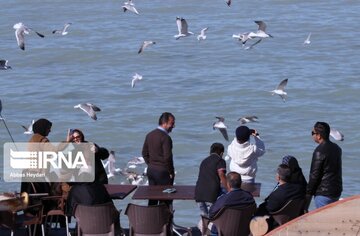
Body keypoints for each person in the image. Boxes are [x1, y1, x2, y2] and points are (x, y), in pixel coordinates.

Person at [255, 164, 305, 230]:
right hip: (293, 217)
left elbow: (270, 209)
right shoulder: (299, 189)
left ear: (278, 177)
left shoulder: (276, 194)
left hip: (277, 220)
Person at [142, 112, 175, 206]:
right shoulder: (165, 138)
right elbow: (167, 157)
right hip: (163, 172)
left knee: (152, 198)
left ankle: (151, 219)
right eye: (172, 123)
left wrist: (151, 164)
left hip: (151, 171)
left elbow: (144, 153)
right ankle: (164, 220)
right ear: (164, 123)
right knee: (165, 199)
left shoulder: (149, 135)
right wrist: (171, 172)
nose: (173, 126)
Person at [307, 121, 342, 208]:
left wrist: (308, 195)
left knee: (323, 218)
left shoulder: (319, 151)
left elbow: (314, 176)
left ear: (318, 135)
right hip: (336, 191)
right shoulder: (337, 148)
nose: (312, 135)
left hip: (323, 193)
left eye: (313, 133)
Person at [195, 143, 228, 217]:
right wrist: (229, 189)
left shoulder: (204, 161)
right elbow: (221, 174)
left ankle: (204, 228)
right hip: (210, 196)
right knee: (214, 218)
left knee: (205, 218)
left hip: (198, 194)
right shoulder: (220, 161)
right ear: (221, 153)